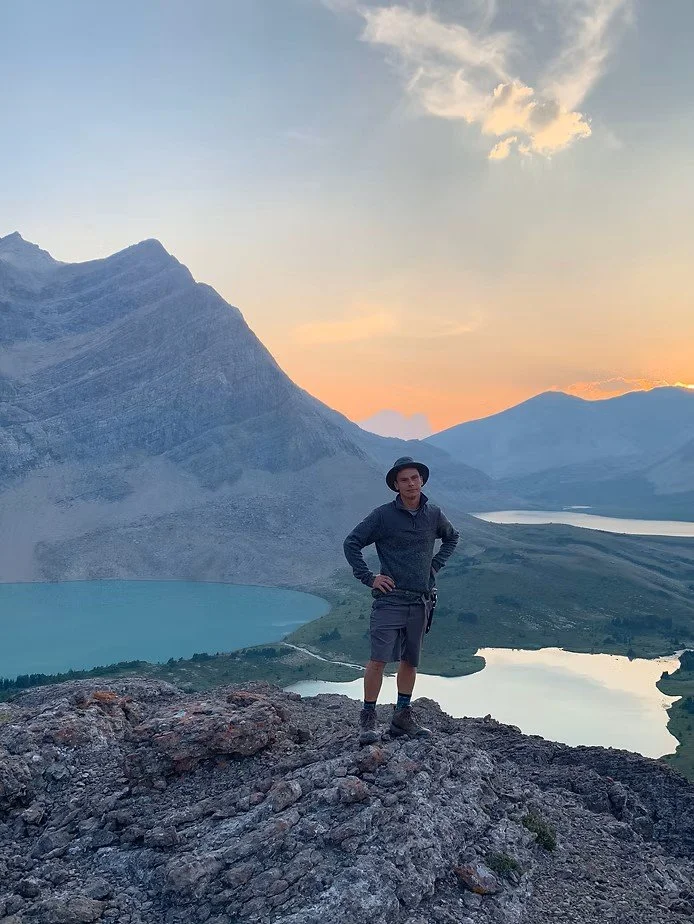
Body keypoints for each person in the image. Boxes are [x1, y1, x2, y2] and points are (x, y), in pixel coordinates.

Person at [343, 456, 460, 744]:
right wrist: (370, 578)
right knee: (378, 659)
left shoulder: (433, 514)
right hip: (390, 599)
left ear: (422, 480)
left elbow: (452, 538)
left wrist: (434, 566)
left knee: (410, 660)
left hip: (420, 601)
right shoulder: (383, 516)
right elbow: (352, 542)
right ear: (395, 485)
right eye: (404, 479)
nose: (411, 483)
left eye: (415, 477)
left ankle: (401, 717)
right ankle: (368, 719)